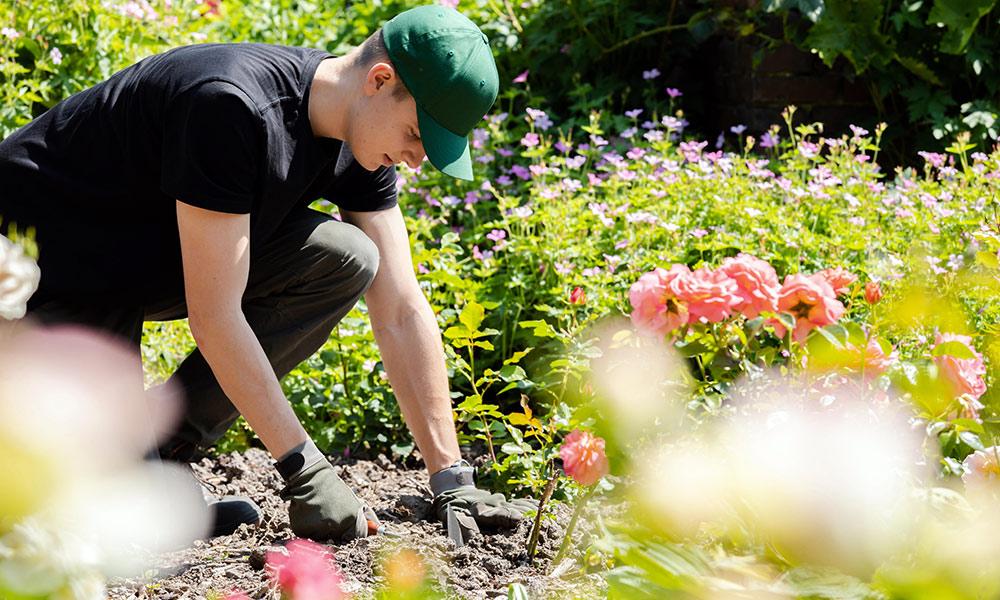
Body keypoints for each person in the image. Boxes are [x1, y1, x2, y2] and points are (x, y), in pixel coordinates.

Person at [0, 5, 534, 543]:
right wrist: (305, 469)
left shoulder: (361, 145)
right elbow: (214, 317)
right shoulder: (230, 106)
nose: (417, 158)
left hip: (129, 264)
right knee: (75, 521)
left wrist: (450, 475)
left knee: (346, 255)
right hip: (35, 270)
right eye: (417, 134)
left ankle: (160, 454)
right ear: (380, 79)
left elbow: (400, 305)